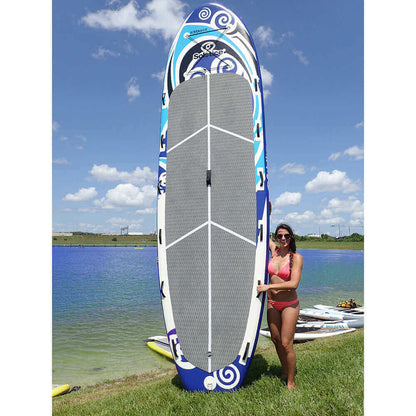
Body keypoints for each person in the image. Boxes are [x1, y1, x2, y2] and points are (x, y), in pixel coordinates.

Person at [257, 223, 303, 390]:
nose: (283, 238)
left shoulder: (296, 257)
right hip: (272, 303)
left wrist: (268, 287)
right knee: (276, 340)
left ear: (291, 238)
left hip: (289, 304)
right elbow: (262, 227)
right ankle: (284, 371)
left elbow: (294, 283)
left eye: (286, 236)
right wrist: (265, 207)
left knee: (286, 343)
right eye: (279, 236)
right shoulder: (273, 251)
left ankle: (291, 381)